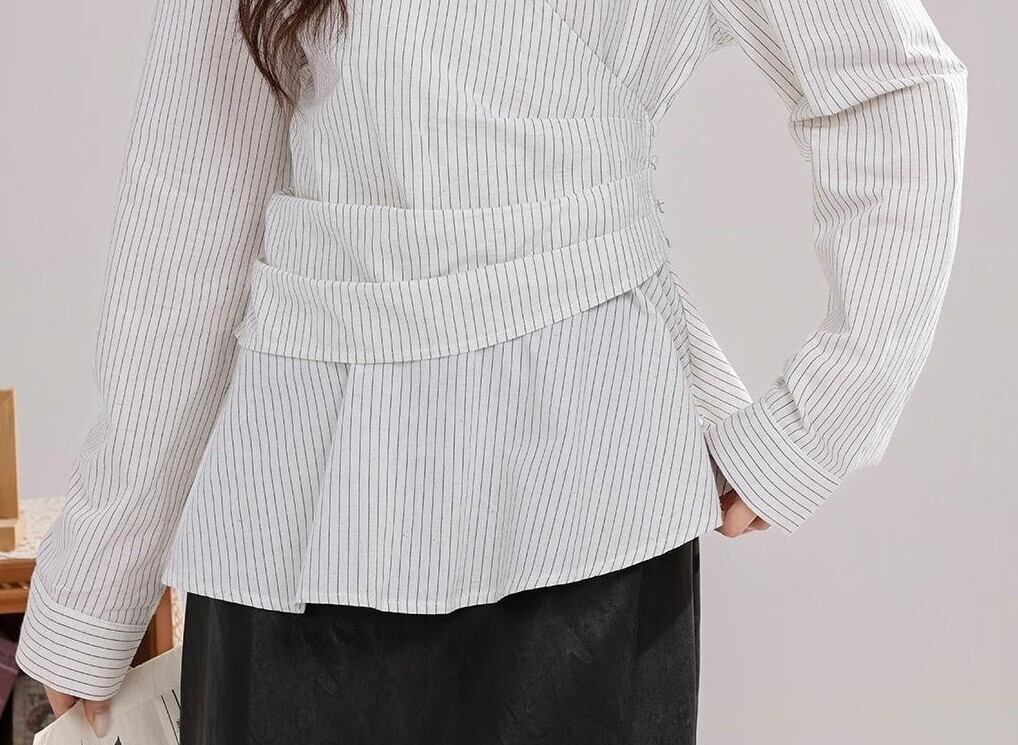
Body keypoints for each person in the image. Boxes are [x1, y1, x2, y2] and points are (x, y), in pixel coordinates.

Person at [16, 0, 967, 743]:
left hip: (586, 508)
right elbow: (192, 199)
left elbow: (892, 84)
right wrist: (100, 578)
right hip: (298, 506)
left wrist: (819, 420)